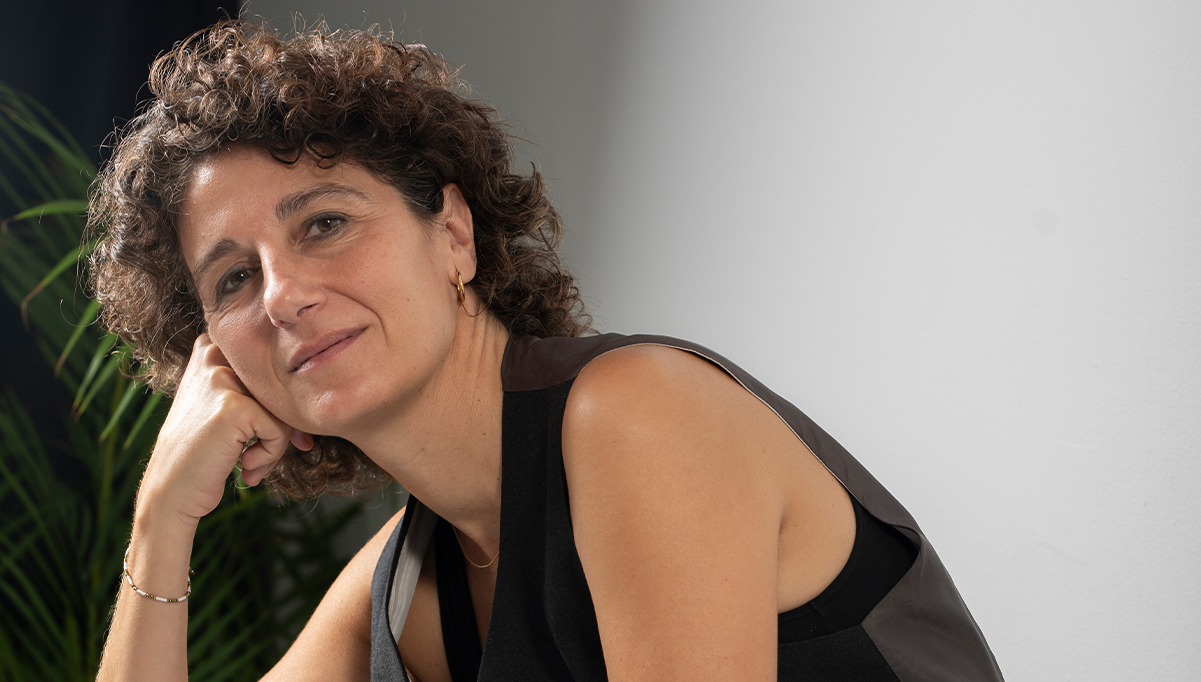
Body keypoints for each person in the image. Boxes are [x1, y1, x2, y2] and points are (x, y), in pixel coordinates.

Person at [89, 19, 1003, 682]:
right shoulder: (407, 582)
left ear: (452, 235)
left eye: (324, 223)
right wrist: (162, 516)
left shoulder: (638, 414)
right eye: (233, 280)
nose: (282, 295)